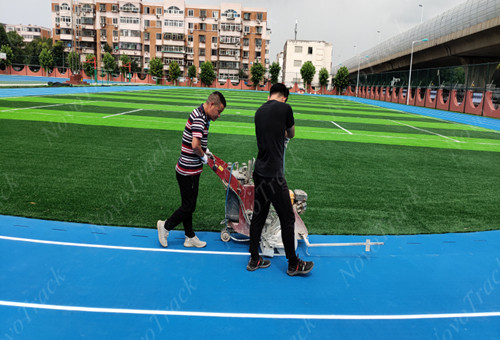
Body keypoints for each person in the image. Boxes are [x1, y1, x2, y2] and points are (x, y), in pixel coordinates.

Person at [247, 83, 314, 276]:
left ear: (270, 94)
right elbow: (291, 133)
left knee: (259, 216)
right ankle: (293, 263)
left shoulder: (259, 111)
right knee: (287, 217)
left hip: (259, 171)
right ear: (284, 96)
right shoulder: (285, 108)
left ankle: (254, 259)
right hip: (274, 175)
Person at [157, 91, 226, 248]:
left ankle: (189, 236)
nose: (219, 115)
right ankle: (165, 226)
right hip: (187, 170)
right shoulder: (200, 118)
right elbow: (195, 145)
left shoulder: (202, 115)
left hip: (191, 169)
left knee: (189, 204)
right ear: (211, 104)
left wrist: (206, 151)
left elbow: (198, 142)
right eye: (219, 111)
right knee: (189, 206)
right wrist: (204, 157)